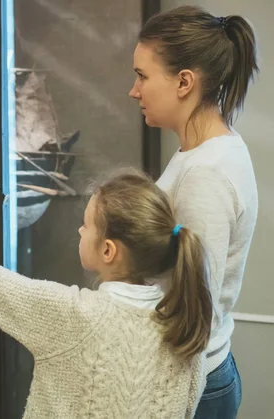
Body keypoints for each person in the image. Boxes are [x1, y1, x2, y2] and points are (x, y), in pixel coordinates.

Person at [0, 170, 212, 418]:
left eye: (86, 224)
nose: (79, 230)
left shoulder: (76, 317)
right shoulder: (186, 329)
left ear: (108, 251)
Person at [129, 6, 259, 417]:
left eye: (142, 76)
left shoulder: (206, 175)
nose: (134, 91)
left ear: (184, 81)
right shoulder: (201, 151)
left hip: (194, 385)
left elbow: (194, 309)